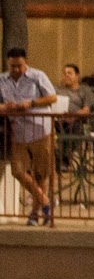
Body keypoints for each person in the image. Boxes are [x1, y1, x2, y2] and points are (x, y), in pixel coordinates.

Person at [0, 47, 57, 225]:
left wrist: (31, 103)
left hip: (40, 129)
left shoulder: (37, 76)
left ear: (26, 63)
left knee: (41, 173)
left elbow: (52, 97)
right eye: (12, 66)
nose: (16, 70)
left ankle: (35, 213)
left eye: (19, 66)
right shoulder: (2, 80)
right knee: (18, 170)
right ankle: (45, 201)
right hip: (18, 131)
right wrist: (5, 107)